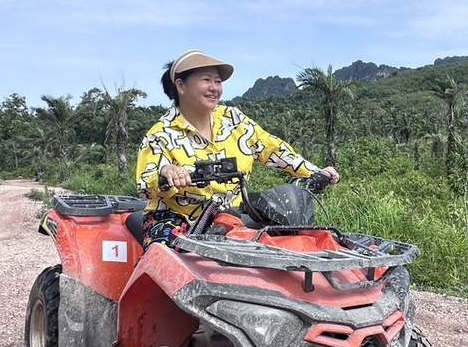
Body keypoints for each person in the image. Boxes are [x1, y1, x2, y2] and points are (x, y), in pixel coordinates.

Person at [135, 50, 339, 248]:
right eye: (206, 80)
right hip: (178, 218)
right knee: (166, 258)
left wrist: (316, 172)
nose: (214, 88)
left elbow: (273, 149)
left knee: (284, 244)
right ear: (181, 85)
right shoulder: (161, 133)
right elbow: (146, 183)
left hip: (234, 217)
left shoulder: (234, 120)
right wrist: (167, 172)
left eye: (218, 81)